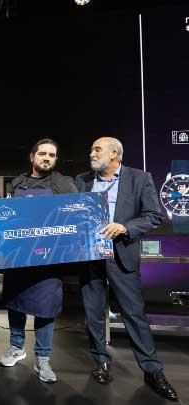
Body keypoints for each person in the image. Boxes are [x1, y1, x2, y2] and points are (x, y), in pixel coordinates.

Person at [75, 137, 178, 401]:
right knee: (93, 313)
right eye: (91, 148)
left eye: (97, 149)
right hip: (90, 256)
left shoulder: (139, 178)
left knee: (133, 314)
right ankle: (101, 361)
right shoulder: (82, 181)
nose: (91, 153)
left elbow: (154, 215)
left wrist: (125, 227)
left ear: (114, 153)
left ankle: (152, 371)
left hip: (121, 254)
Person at [0, 138, 78, 383]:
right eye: (42, 154)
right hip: (18, 256)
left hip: (48, 259)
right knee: (15, 303)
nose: (47, 158)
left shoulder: (64, 184)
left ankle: (43, 358)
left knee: (45, 309)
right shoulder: (18, 183)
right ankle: (16, 347)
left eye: (52, 155)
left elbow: (76, 216)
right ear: (32, 157)